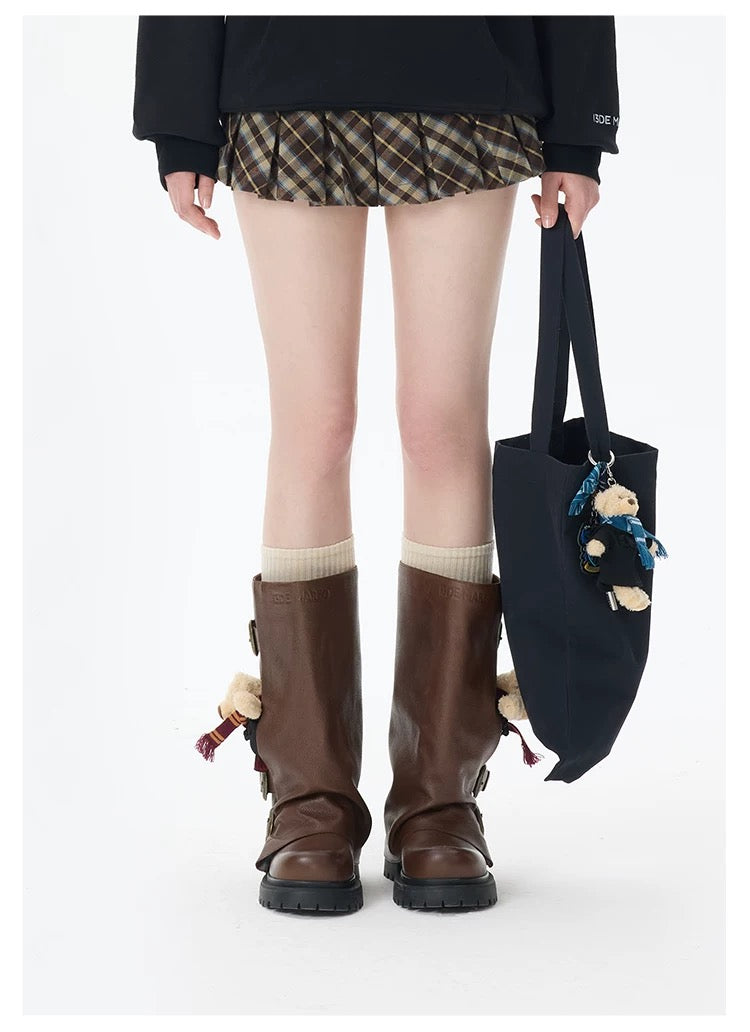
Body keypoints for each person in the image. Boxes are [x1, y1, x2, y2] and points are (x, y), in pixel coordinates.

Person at [132, 14, 619, 914]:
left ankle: (439, 796)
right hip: (285, 69)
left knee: (441, 423)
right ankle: (308, 798)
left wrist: (580, 125)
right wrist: (178, 117)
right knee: (313, 425)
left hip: (468, 67)